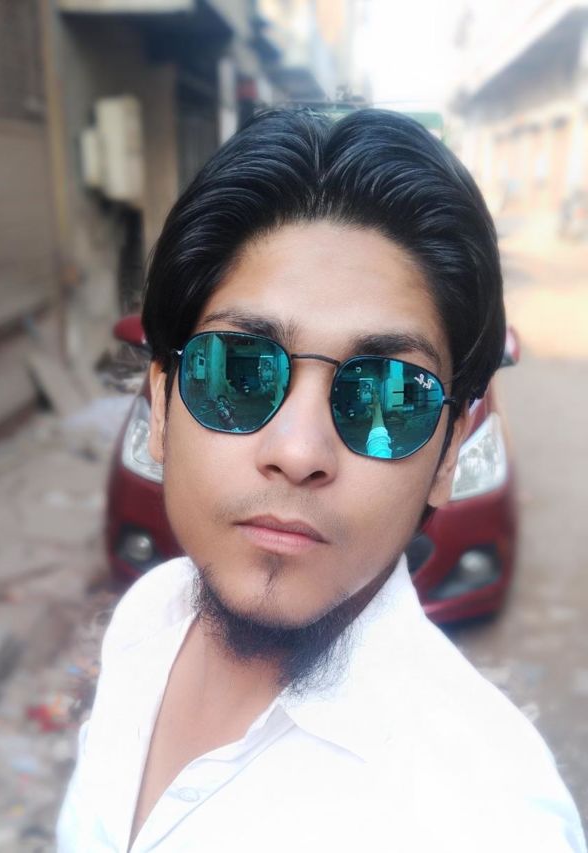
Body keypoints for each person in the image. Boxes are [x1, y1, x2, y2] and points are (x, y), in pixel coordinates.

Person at [57, 109, 586, 852]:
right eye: (238, 372)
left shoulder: (489, 819)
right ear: (162, 408)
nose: (300, 451)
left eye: (387, 396)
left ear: (447, 456)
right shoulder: (149, 616)